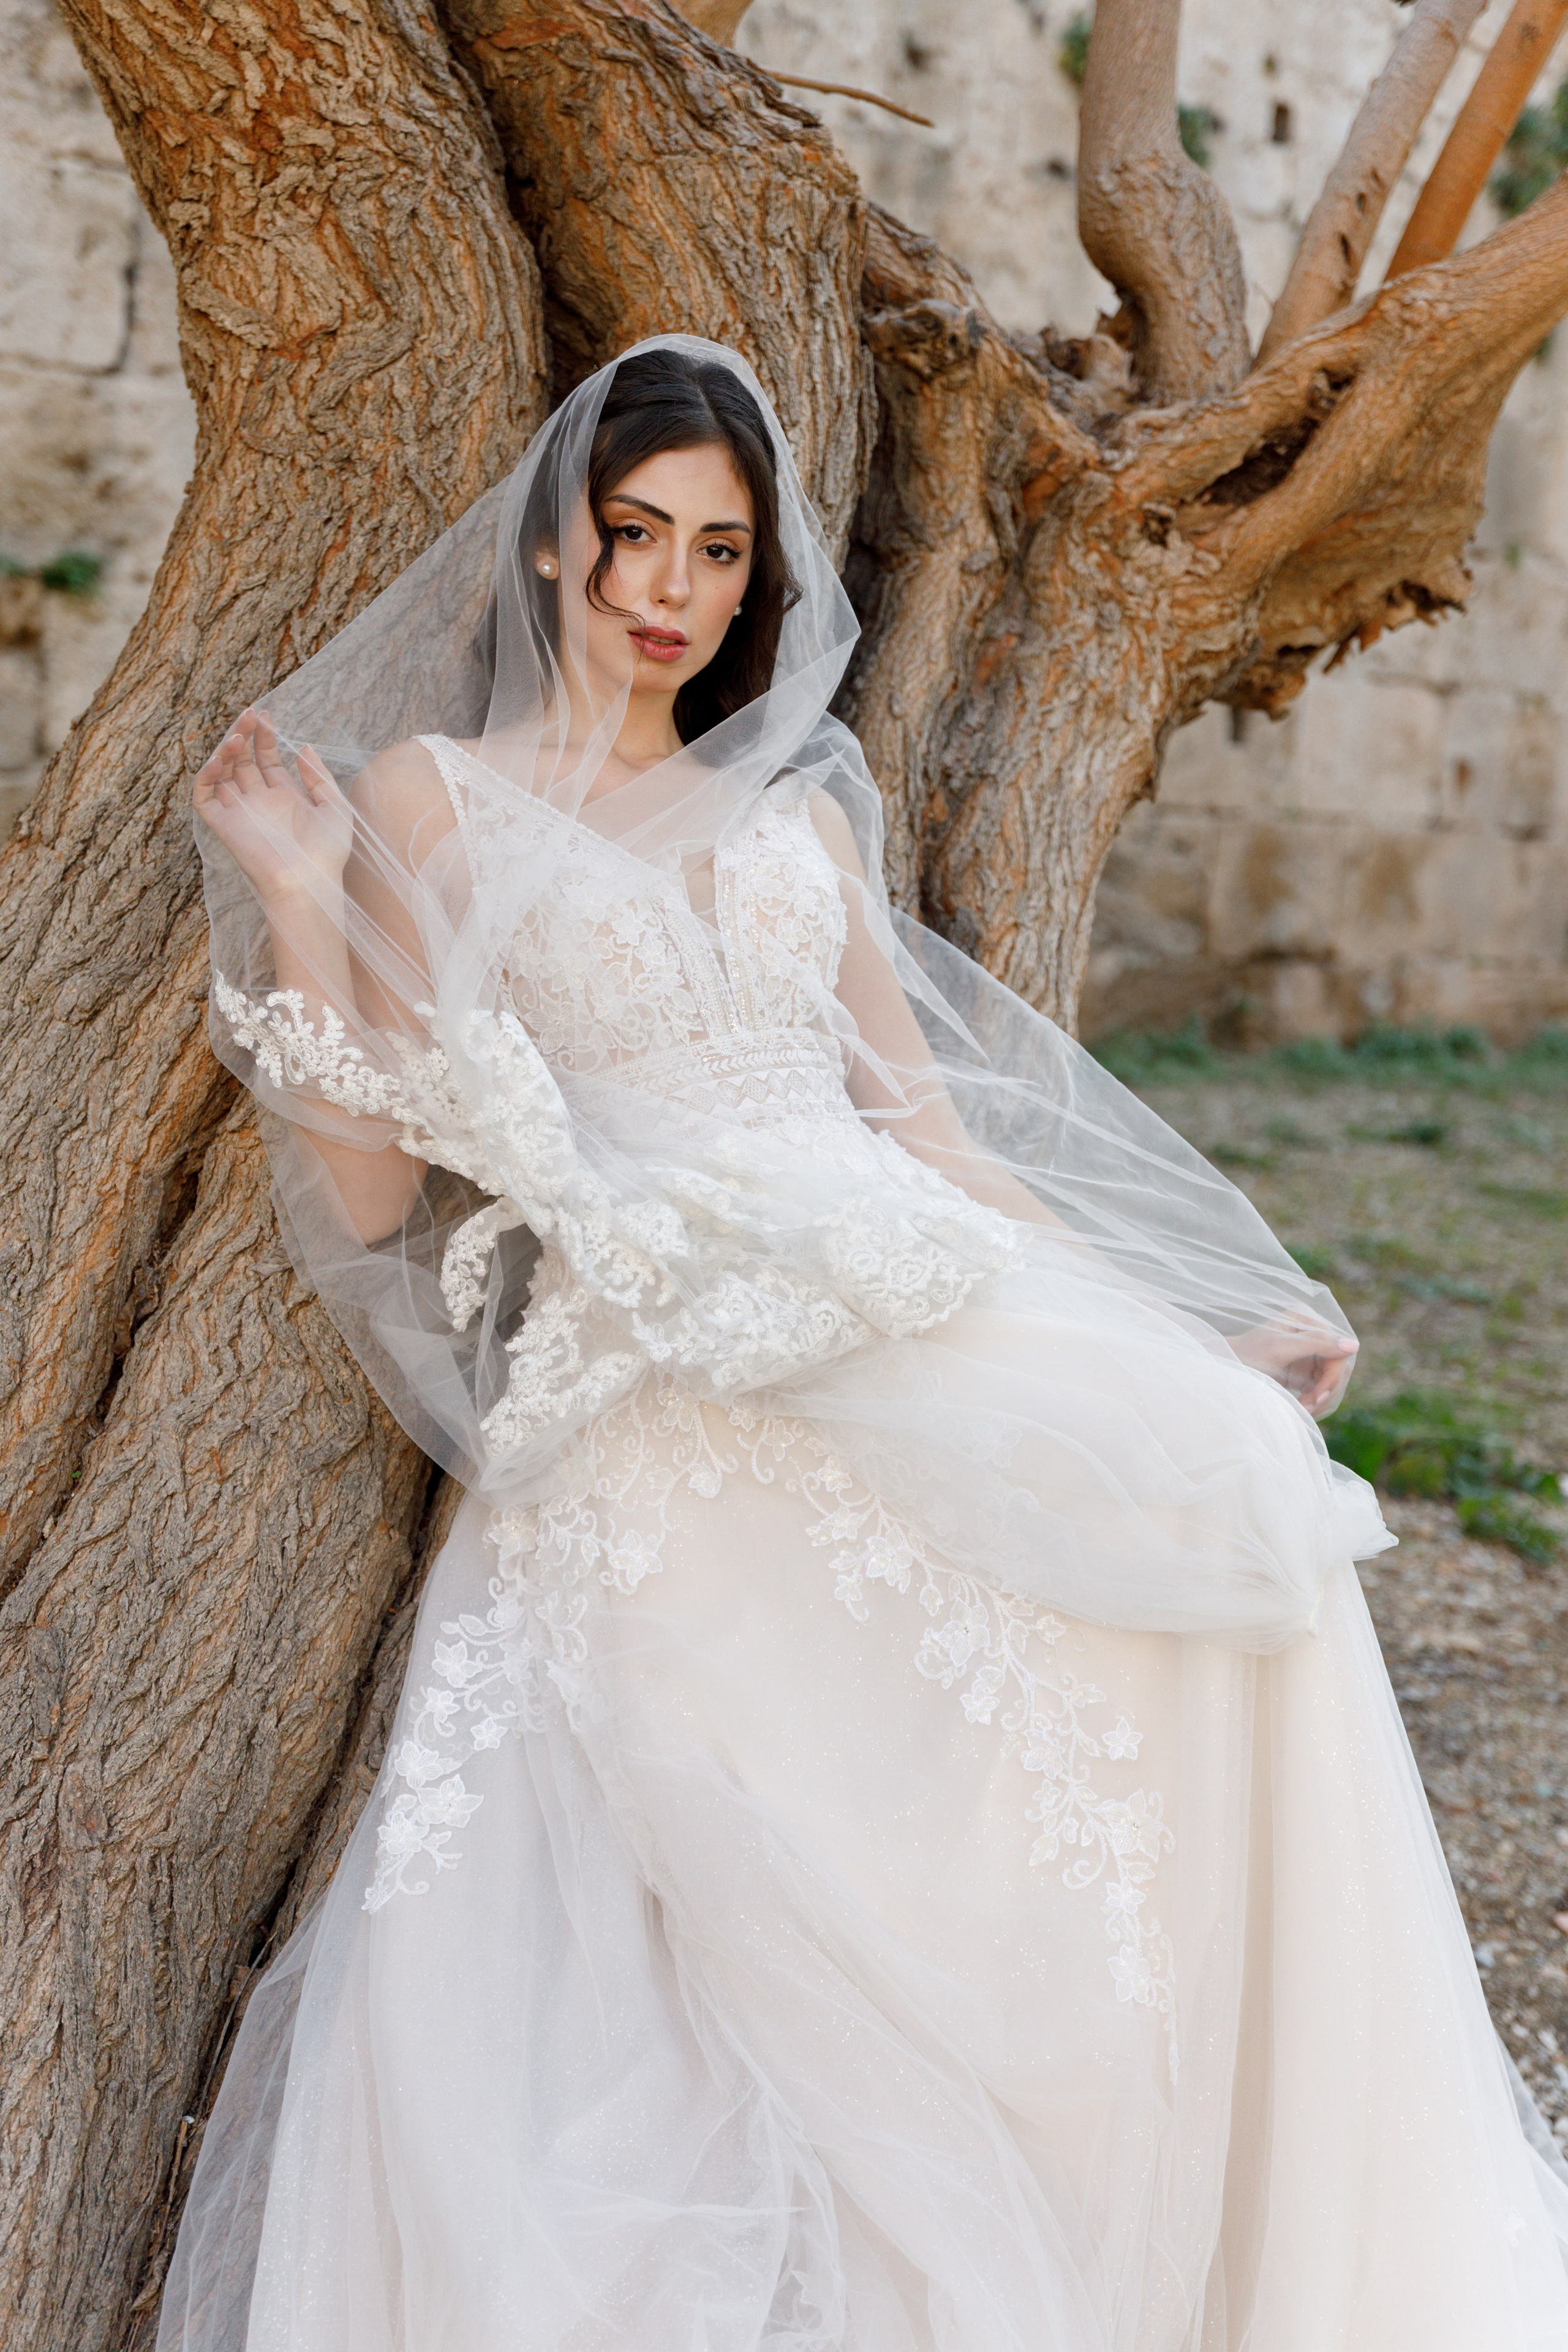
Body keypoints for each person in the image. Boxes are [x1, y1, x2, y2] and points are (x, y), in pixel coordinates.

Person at [162, 337, 1568, 2352]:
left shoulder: (800, 810)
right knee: (790, 1859)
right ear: (556, 548)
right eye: (634, 534)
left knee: (1240, 1506)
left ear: (756, 585)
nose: (670, 586)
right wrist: (302, 896)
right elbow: (378, 1195)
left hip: (915, 1288)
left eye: (718, 553)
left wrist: (1190, 1315)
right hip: (670, 1373)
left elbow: (928, 1136)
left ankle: (1233, 2223)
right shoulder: (431, 796)